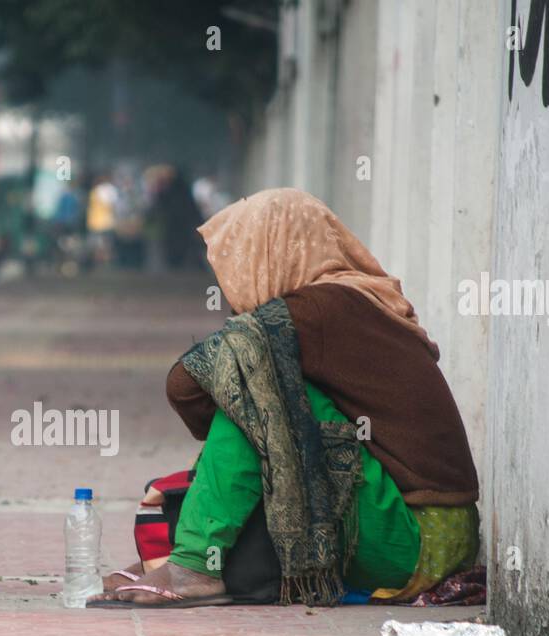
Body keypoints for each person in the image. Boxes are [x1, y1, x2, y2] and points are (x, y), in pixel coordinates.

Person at [92, 188, 480, 608]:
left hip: (415, 538)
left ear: (273, 250)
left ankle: (194, 566)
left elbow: (184, 384)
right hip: (433, 534)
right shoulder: (354, 298)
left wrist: (230, 404)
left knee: (254, 382)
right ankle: (181, 557)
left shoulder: (323, 308)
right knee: (260, 391)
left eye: (241, 262)